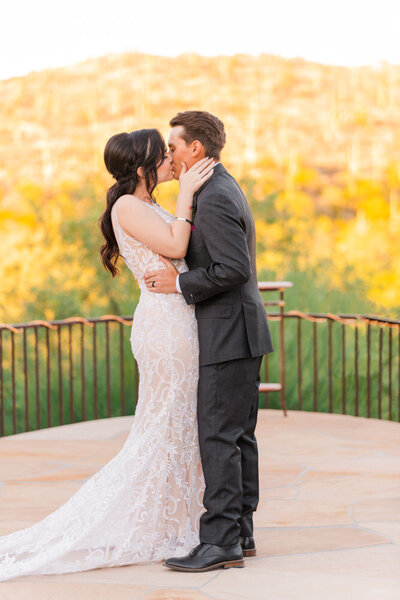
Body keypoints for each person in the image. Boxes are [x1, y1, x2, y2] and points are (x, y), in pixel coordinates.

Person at [0, 128, 214, 581]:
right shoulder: (127, 206)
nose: (170, 163)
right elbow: (176, 246)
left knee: (178, 424)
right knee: (164, 424)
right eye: (163, 157)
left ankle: (184, 520)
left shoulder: (145, 203)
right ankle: (168, 523)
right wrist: (189, 193)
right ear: (142, 168)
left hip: (176, 318)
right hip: (166, 328)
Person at [144, 111, 273, 573]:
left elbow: (234, 269)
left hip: (227, 332)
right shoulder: (219, 186)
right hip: (240, 330)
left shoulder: (214, 196)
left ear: (196, 148)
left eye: (175, 147)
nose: (171, 156)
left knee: (218, 437)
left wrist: (177, 285)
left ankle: (220, 542)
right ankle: (241, 530)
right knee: (238, 435)